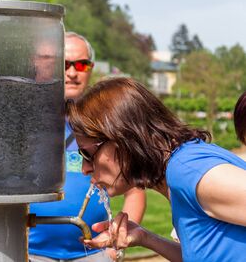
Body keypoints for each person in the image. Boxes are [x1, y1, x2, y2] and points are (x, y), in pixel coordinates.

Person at [67, 77, 246, 262]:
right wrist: (146, 238)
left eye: (87, 154)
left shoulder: (187, 170)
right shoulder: (179, 172)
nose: (84, 169)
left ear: (121, 138)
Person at [29, 33, 146, 262]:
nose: (72, 73)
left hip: (93, 254)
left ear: (90, 68)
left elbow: (135, 190)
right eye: (64, 64)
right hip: (30, 254)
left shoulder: (107, 122)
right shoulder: (25, 121)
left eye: (81, 64)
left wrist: (113, 249)